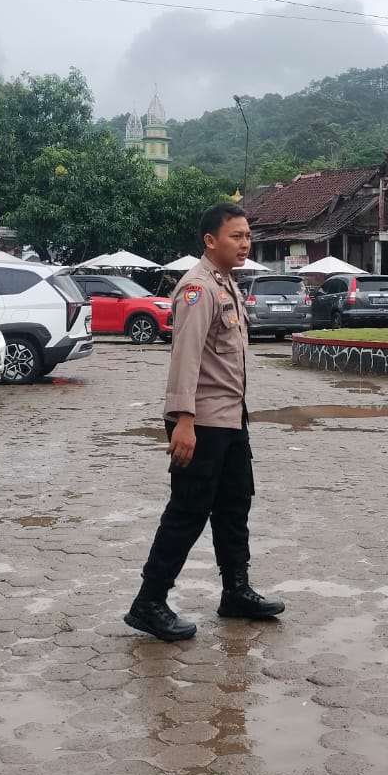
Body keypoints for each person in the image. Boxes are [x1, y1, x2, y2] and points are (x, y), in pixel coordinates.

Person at [124, 203, 284, 642]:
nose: (245, 243)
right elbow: (186, 358)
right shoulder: (197, 288)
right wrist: (183, 420)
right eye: (236, 236)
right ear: (210, 240)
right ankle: (149, 602)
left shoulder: (227, 284)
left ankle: (236, 591)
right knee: (188, 512)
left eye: (248, 235)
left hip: (231, 419)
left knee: (235, 506)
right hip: (202, 422)